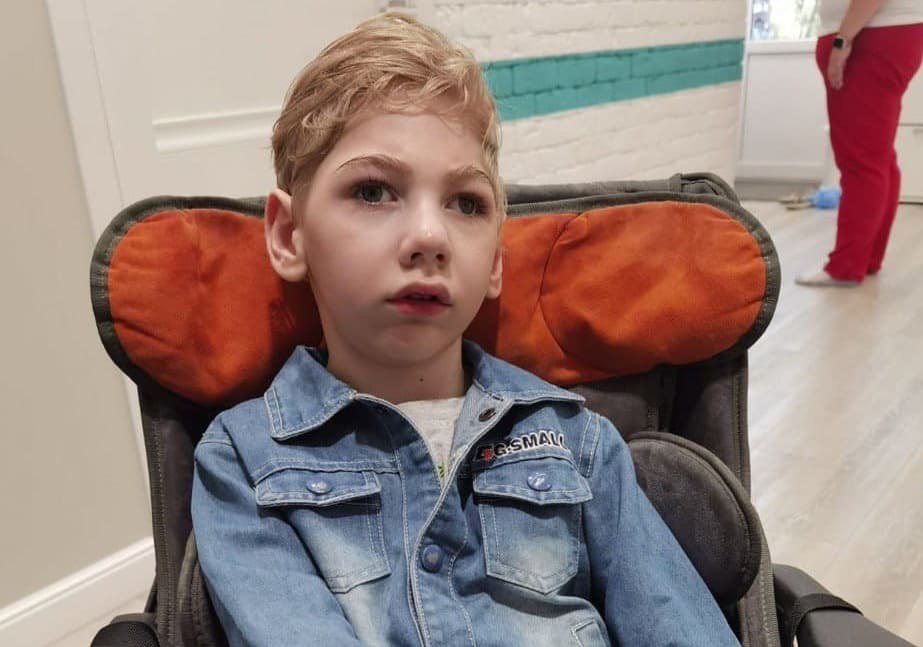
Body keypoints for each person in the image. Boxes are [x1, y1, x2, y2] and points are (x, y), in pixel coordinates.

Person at [191, 12, 739, 646]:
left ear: (497, 259)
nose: (430, 236)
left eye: (466, 203)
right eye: (373, 191)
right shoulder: (243, 462)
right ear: (290, 236)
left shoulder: (579, 443)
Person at [796, 0, 923, 287]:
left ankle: (846, 266)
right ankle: (865, 258)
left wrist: (842, 39)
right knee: (877, 156)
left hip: (870, 36)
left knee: (862, 161)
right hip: (879, 34)